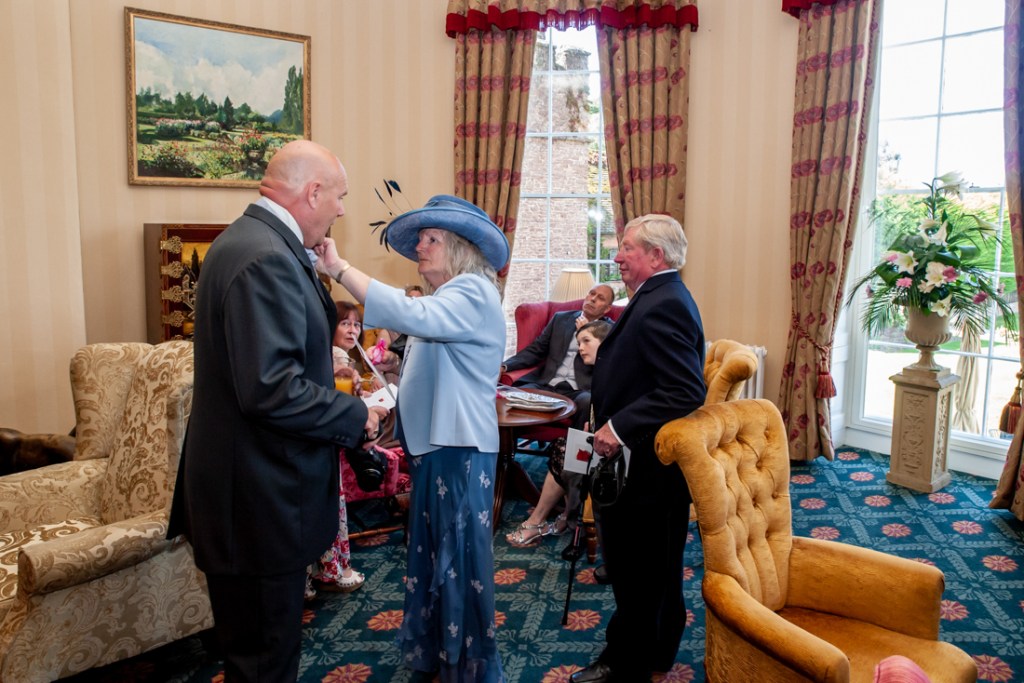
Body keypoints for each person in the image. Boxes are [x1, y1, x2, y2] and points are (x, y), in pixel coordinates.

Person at [167, 140, 387, 683]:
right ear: (312, 193)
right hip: (258, 503)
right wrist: (353, 416)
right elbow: (270, 390)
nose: (341, 209)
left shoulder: (249, 242)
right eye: (338, 197)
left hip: (250, 496)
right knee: (264, 663)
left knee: (258, 656)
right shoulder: (265, 257)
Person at [314, 194, 508, 683]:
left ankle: (467, 665)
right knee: (437, 555)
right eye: (420, 238)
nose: (420, 247)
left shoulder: (474, 291)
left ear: (461, 248)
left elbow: (411, 318)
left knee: (457, 559)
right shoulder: (451, 297)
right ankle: (444, 653)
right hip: (437, 448)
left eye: (431, 238)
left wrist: (339, 268)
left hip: (459, 448)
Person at [571, 214, 706, 683]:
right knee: (656, 567)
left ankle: (625, 663)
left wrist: (619, 426)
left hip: (647, 467)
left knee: (637, 570)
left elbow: (686, 389)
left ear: (656, 255)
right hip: (650, 465)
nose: (617, 255)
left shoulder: (664, 301)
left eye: (627, 247)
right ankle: (656, 651)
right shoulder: (659, 295)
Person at [506, 320, 611, 549]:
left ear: (605, 343)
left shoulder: (613, 372)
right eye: (578, 342)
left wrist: (600, 431)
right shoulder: (605, 371)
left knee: (568, 449)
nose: (580, 348)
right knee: (566, 447)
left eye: (586, 341)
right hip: (599, 441)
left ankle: (542, 521)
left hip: (618, 451)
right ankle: (560, 517)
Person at [305, 302, 376, 601]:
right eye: (344, 323)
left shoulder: (341, 357)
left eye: (356, 324)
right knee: (327, 502)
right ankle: (333, 569)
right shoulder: (334, 359)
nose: (352, 329)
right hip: (329, 440)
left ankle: (311, 575)